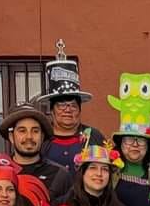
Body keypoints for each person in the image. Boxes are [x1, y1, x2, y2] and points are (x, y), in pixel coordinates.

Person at [37, 41, 105, 174]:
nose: (68, 110)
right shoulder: (42, 138)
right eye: (61, 105)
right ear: (52, 110)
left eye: (73, 105)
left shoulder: (94, 136)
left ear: (80, 110)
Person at [109, 72, 150, 206]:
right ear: (120, 144)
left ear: (148, 145)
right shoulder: (109, 170)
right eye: (129, 140)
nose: (135, 144)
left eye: (140, 140)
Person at [0, 102, 73, 204]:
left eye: (35, 131)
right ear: (11, 137)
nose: (29, 136)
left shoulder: (60, 175)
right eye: (22, 131)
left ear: (42, 136)